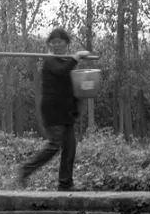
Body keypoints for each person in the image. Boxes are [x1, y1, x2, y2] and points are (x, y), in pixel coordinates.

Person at [17, 27, 93, 191]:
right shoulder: (50, 60)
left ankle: (65, 183)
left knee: (70, 147)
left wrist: (76, 107)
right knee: (54, 144)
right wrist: (77, 57)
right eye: (53, 42)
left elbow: (68, 85)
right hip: (52, 110)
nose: (56, 45)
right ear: (49, 45)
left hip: (66, 111)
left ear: (66, 43)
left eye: (60, 42)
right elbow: (61, 72)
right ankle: (25, 170)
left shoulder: (66, 60)